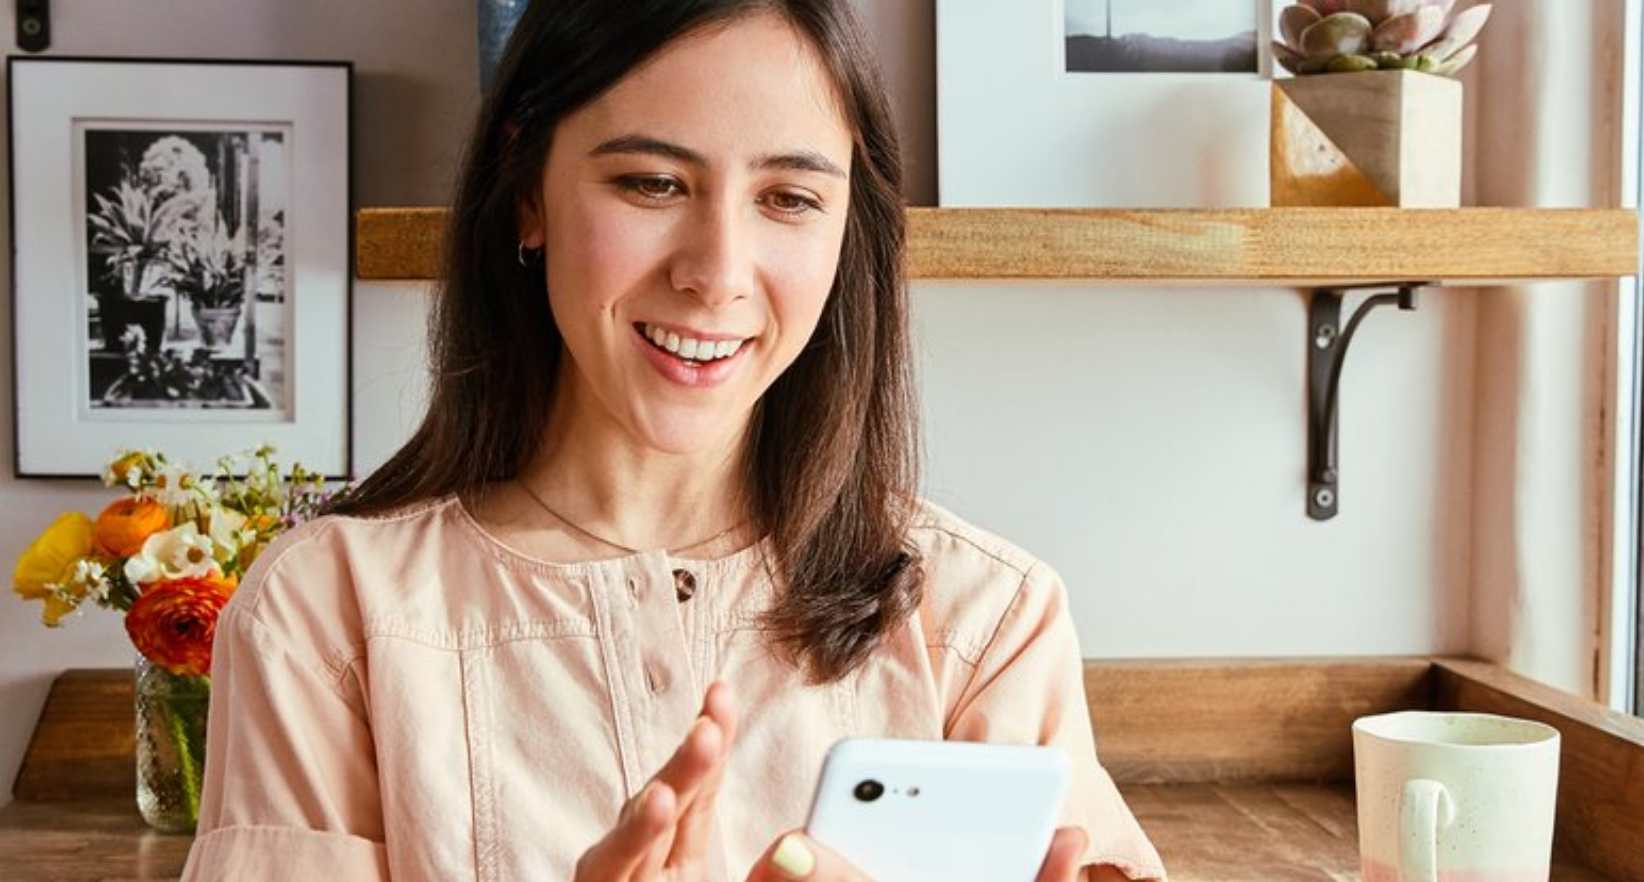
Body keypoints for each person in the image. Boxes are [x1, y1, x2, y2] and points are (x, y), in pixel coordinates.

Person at [181, 0, 1166, 879]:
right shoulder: (326, 617)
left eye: (788, 198)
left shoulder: (986, 625)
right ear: (528, 189)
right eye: (652, 183)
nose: (719, 272)